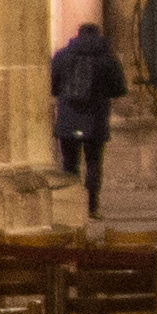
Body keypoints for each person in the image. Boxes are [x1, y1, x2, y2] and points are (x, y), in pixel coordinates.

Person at [46, 18, 119, 216]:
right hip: (95, 119)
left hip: (68, 119)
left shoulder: (62, 56)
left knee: (69, 164)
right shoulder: (107, 59)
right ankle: (91, 207)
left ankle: (71, 207)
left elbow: (52, 86)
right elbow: (118, 88)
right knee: (93, 163)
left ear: (77, 35)